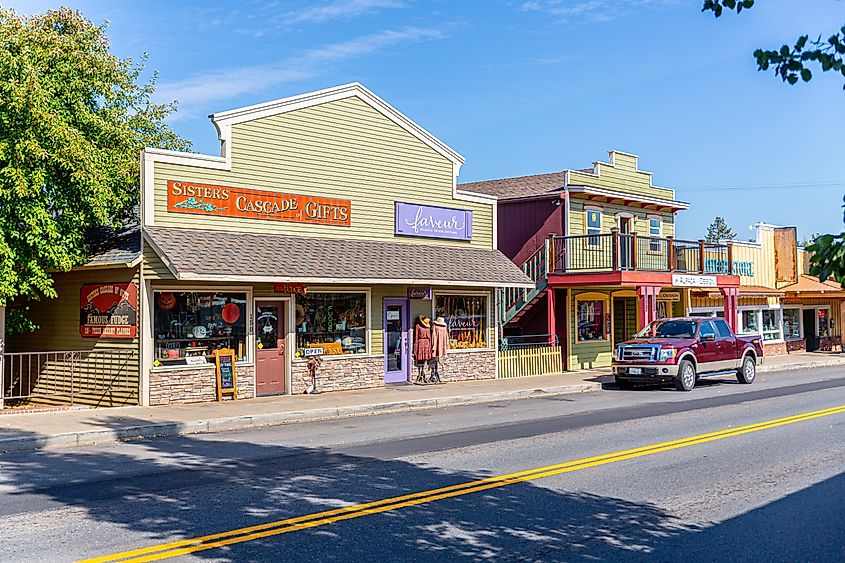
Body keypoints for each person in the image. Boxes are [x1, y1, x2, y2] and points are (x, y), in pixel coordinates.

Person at [413, 315, 433, 383]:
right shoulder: (418, 326)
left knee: (425, 358)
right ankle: (420, 373)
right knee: (420, 358)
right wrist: (415, 347)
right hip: (420, 343)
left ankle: (423, 372)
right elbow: (416, 337)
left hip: (426, 343)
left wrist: (430, 346)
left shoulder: (428, 327)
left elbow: (429, 337)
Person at [430, 316, 450, 384]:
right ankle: (435, 373)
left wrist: (433, 345)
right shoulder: (443, 328)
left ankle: (435, 373)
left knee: (436, 358)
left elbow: (433, 336)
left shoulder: (435, 327)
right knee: (437, 358)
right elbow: (446, 337)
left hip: (437, 344)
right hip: (441, 344)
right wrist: (447, 344)